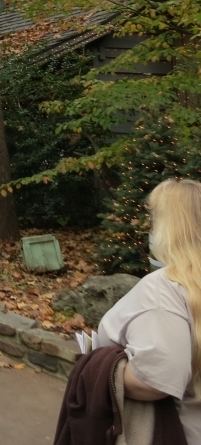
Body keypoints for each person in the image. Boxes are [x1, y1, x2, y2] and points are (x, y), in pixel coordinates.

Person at [96, 178, 201, 441]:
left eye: (153, 220)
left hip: (173, 433)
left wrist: (96, 367)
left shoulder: (164, 288)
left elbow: (154, 380)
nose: (149, 229)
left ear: (171, 227)